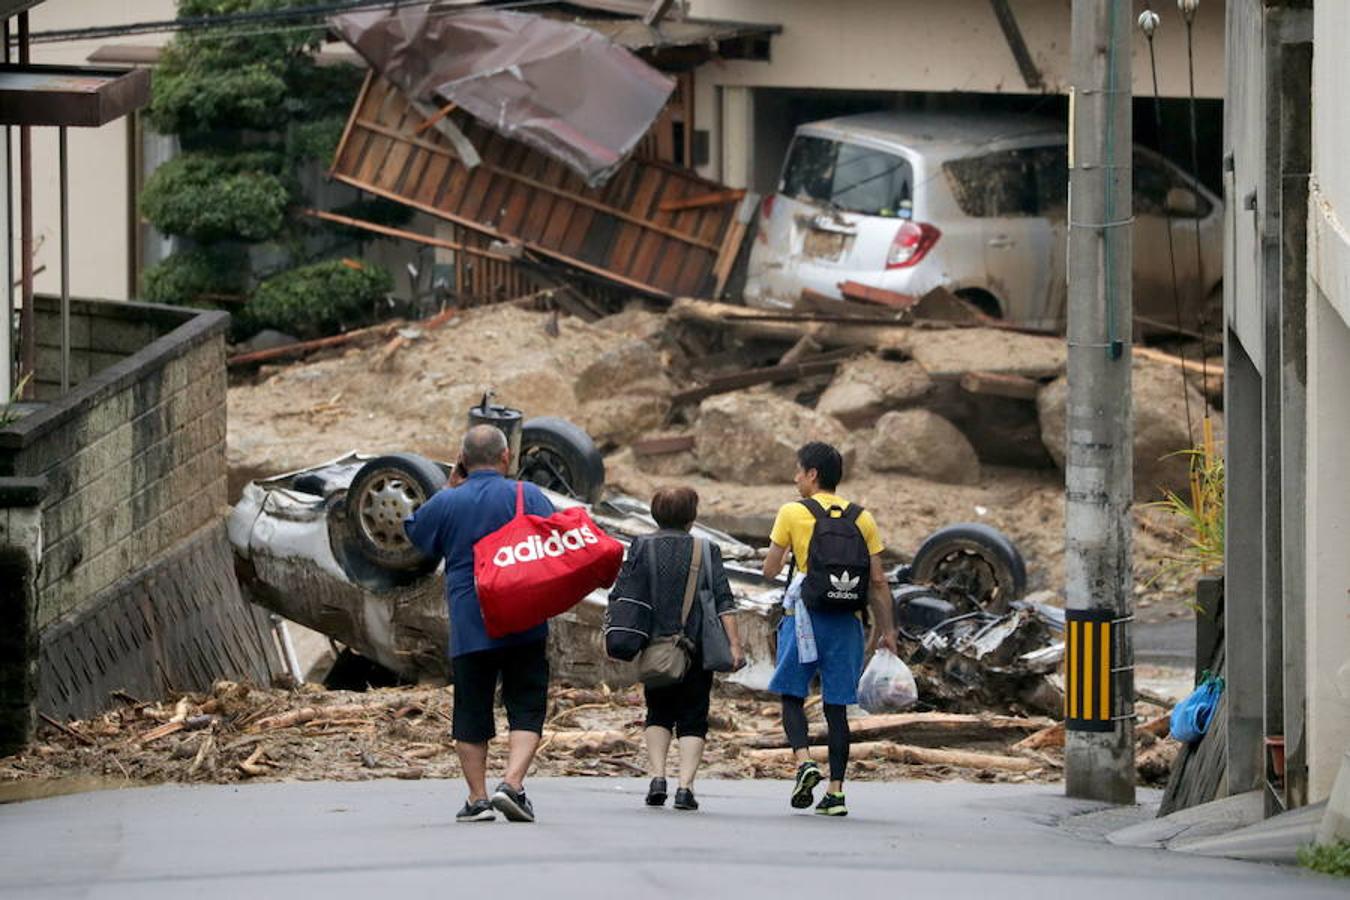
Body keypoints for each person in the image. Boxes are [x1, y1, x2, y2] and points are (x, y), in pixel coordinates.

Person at [404, 424, 554, 824]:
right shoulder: (529, 495)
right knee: (526, 705)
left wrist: (451, 488)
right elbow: (555, 543)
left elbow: (415, 533)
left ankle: (478, 799)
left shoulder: (450, 501)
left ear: (463, 461)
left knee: (471, 711)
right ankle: (513, 784)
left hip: (472, 624)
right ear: (506, 458)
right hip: (525, 618)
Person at [762, 441, 897, 817]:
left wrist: (788, 554)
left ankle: (804, 761)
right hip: (847, 622)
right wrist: (887, 630)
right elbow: (879, 581)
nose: (795, 478)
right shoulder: (862, 517)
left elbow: (770, 572)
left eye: (798, 471)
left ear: (812, 475)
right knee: (837, 708)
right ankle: (836, 793)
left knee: (791, 695)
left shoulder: (792, 512)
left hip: (803, 618)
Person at [610, 486, 744, 811]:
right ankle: (685, 787)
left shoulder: (641, 546)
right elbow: (725, 601)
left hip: (656, 647)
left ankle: (657, 777)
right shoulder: (706, 549)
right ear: (691, 516)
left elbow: (626, 594)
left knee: (657, 711)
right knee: (693, 716)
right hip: (696, 647)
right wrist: (735, 645)